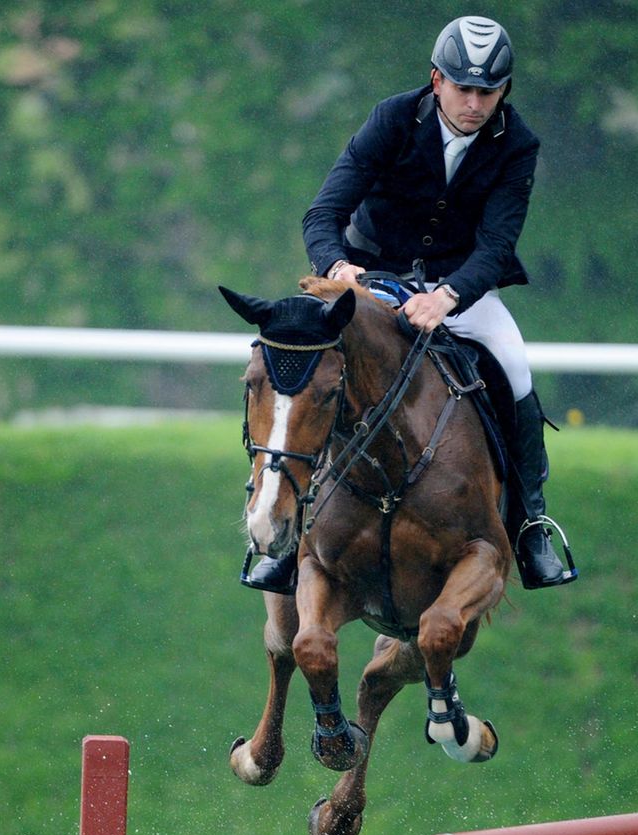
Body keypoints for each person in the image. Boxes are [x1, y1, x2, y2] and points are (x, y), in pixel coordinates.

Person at [244, 15, 577, 594]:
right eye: (463, 88)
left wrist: (447, 295)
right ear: (436, 80)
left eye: (487, 92)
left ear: (505, 91)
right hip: (370, 281)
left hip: (459, 287)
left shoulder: (517, 144)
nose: (474, 103)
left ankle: (530, 524)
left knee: (516, 370)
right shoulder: (393, 118)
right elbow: (322, 215)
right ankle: (287, 532)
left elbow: (497, 244)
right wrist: (338, 268)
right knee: (306, 374)